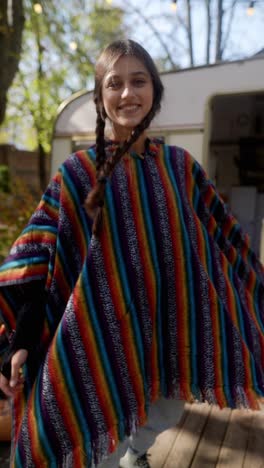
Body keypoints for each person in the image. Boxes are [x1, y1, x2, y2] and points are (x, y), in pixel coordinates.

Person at [0, 38, 264, 468]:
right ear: (101, 99)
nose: (127, 93)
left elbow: (225, 240)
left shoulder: (180, 168)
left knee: (165, 409)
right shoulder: (77, 174)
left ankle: (135, 456)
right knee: (101, 433)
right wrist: (18, 341)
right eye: (114, 84)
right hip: (97, 328)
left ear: (154, 91)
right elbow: (36, 260)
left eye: (138, 81)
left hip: (166, 327)